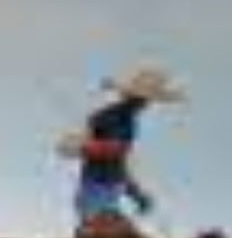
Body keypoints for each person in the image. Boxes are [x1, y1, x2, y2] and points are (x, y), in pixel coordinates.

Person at [70, 68, 184, 225]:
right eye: (142, 99)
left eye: (146, 100)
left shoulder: (129, 123)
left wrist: (137, 195)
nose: (144, 104)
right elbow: (75, 148)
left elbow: (119, 165)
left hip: (108, 190)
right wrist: (103, 148)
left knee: (113, 236)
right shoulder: (104, 117)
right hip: (94, 189)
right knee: (102, 234)